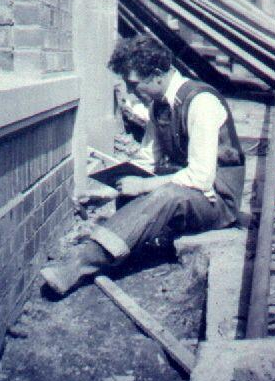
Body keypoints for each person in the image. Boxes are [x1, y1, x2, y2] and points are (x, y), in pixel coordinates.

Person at [41, 35, 245, 296]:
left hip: (217, 201)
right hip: (192, 194)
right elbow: (148, 160)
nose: (131, 91)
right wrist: (113, 189)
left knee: (167, 194)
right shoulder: (159, 106)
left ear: (158, 75)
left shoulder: (201, 102)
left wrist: (144, 185)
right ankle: (120, 252)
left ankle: (79, 265)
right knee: (135, 194)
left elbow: (201, 178)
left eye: (134, 83)